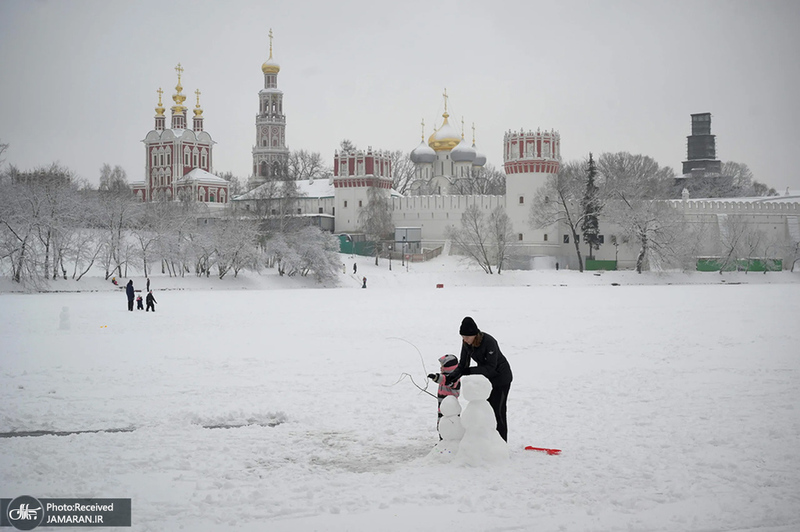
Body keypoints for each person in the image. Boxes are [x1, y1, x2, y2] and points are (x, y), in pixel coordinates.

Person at [446, 317, 513, 441]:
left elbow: (491, 368)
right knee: (485, 410)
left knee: (498, 411)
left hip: (501, 378)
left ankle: (502, 444)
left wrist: (468, 371)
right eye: (462, 337)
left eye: (467, 337)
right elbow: (463, 365)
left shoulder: (489, 342)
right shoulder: (466, 343)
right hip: (486, 379)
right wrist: (453, 376)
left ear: (474, 335)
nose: (464, 340)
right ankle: (486, 442)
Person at [427, 354, 462, 438]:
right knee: (441, 424)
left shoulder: (454, 379)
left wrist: (436, 377)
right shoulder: (444, 377)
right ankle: (442, 441)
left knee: (451, 424)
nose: (440, 368)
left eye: (442, 366)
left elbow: (445, 380)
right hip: (441, 406)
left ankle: (452, 441)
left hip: (451, 409)